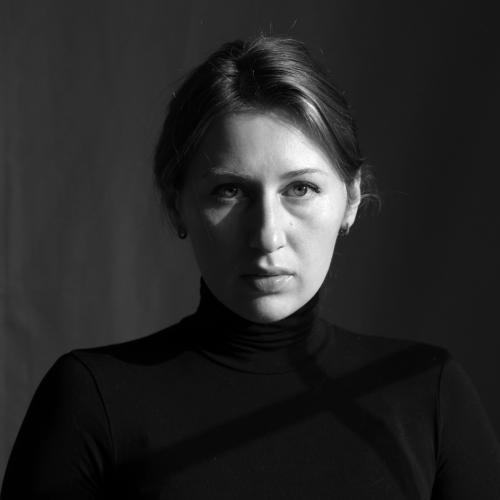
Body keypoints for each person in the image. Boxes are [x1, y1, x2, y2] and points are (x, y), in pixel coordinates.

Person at [2, 35, 500, 500]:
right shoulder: (91, 401)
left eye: (300, 189)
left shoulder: (429, 395)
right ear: (177, 206)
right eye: (230, 191)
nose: (266, 235)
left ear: (351, 200)